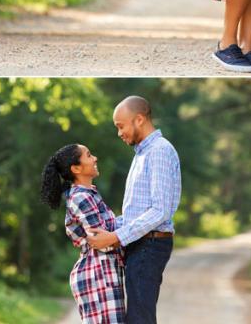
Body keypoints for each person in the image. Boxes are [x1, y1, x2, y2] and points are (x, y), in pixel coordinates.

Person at [86, 96, 181, 324]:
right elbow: (136, 213)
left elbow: (160, 211)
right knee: (137, 317)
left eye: (121, 125)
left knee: (140, 318)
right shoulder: (142, 154)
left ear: (139, 119)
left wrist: (116, 237)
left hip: (150, 244)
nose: (119, 133)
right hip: (141, 243)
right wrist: (107, 229)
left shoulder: (158, 151)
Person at [40, 143, 125, 324]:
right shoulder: (81, 197)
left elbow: (110, 232)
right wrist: (134, 234)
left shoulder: (89, 194)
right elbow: (101, 240)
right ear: (76, 168)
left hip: (104, 272)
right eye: (88, 155)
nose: (95, 158)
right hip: (98, 274)